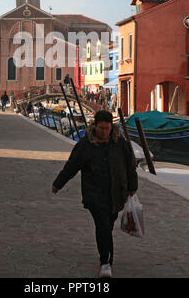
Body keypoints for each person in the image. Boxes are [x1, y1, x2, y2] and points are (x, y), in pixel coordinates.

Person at [52, 110, 138, 278]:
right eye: (101, 128)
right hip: (95, 195)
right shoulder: (85, 146)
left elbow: (129, 165)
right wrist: (58, 184)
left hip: (116, 193)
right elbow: (71, 166)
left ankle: (106, 257)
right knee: (103, 226)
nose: (105, 132)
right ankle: (105, 262)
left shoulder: (119, 143)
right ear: (95, 126)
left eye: (107, 128)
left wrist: (133, 185)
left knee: (108, 225)